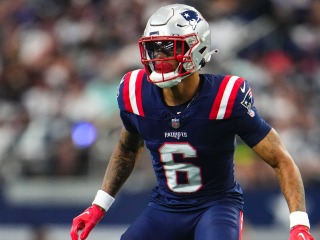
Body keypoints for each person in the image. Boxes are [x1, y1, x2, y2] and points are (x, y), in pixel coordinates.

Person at [70, 4, 314, 240]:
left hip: (215, 207)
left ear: (197, 49)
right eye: (154, 49)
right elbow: (127, 148)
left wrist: (299, 224)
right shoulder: (135, 91)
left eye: (169, 48)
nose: (159, 57)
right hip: (164, 207)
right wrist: (99, 205)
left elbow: (281, 159)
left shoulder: (226, 96)